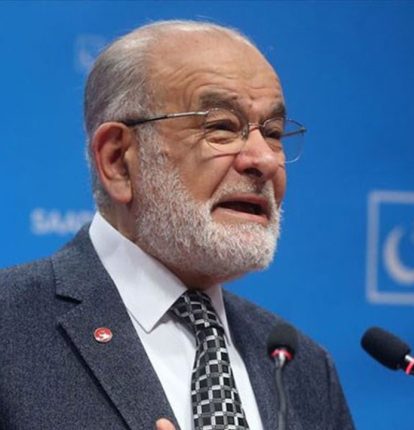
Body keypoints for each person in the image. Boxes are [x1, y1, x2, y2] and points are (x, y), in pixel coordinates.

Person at [0, 20, 355, 430]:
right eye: (222, 127)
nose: (264, 160)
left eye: (273, 133)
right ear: (118, 161)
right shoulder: (10, 327)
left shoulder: (304, 370)